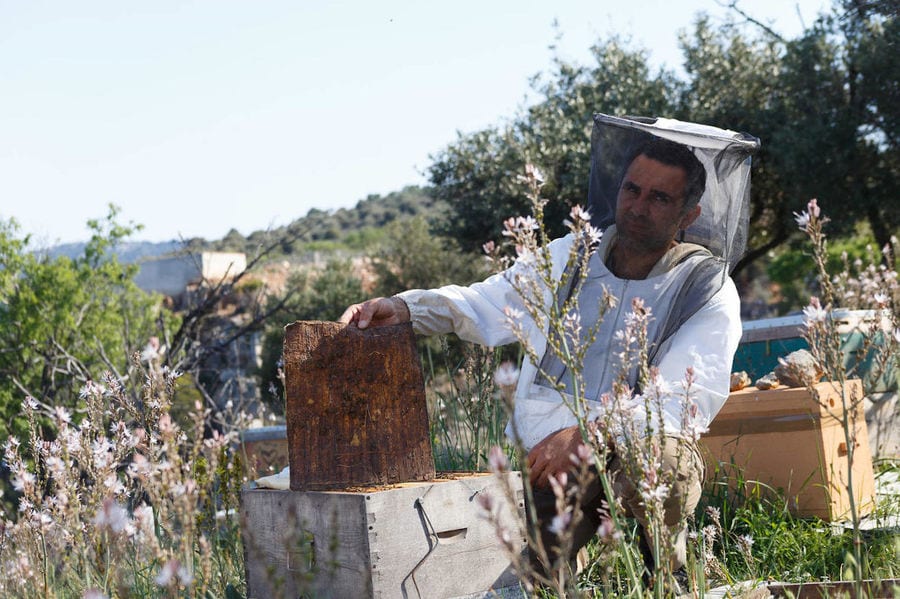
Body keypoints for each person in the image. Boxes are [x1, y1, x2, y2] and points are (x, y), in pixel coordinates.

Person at [339, 136, 743, 581]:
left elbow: (681, 399)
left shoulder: (707, 286)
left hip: (628, 451)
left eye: (659, 197)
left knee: (665, 461)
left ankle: (671, 572)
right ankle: (571, 568)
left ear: (688, 216)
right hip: (545, 462)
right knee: (527, 578)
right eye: (632, 189)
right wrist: (406, 308)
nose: (638, 206)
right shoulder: (571, 255)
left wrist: (591, 432)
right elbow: (488, 304)